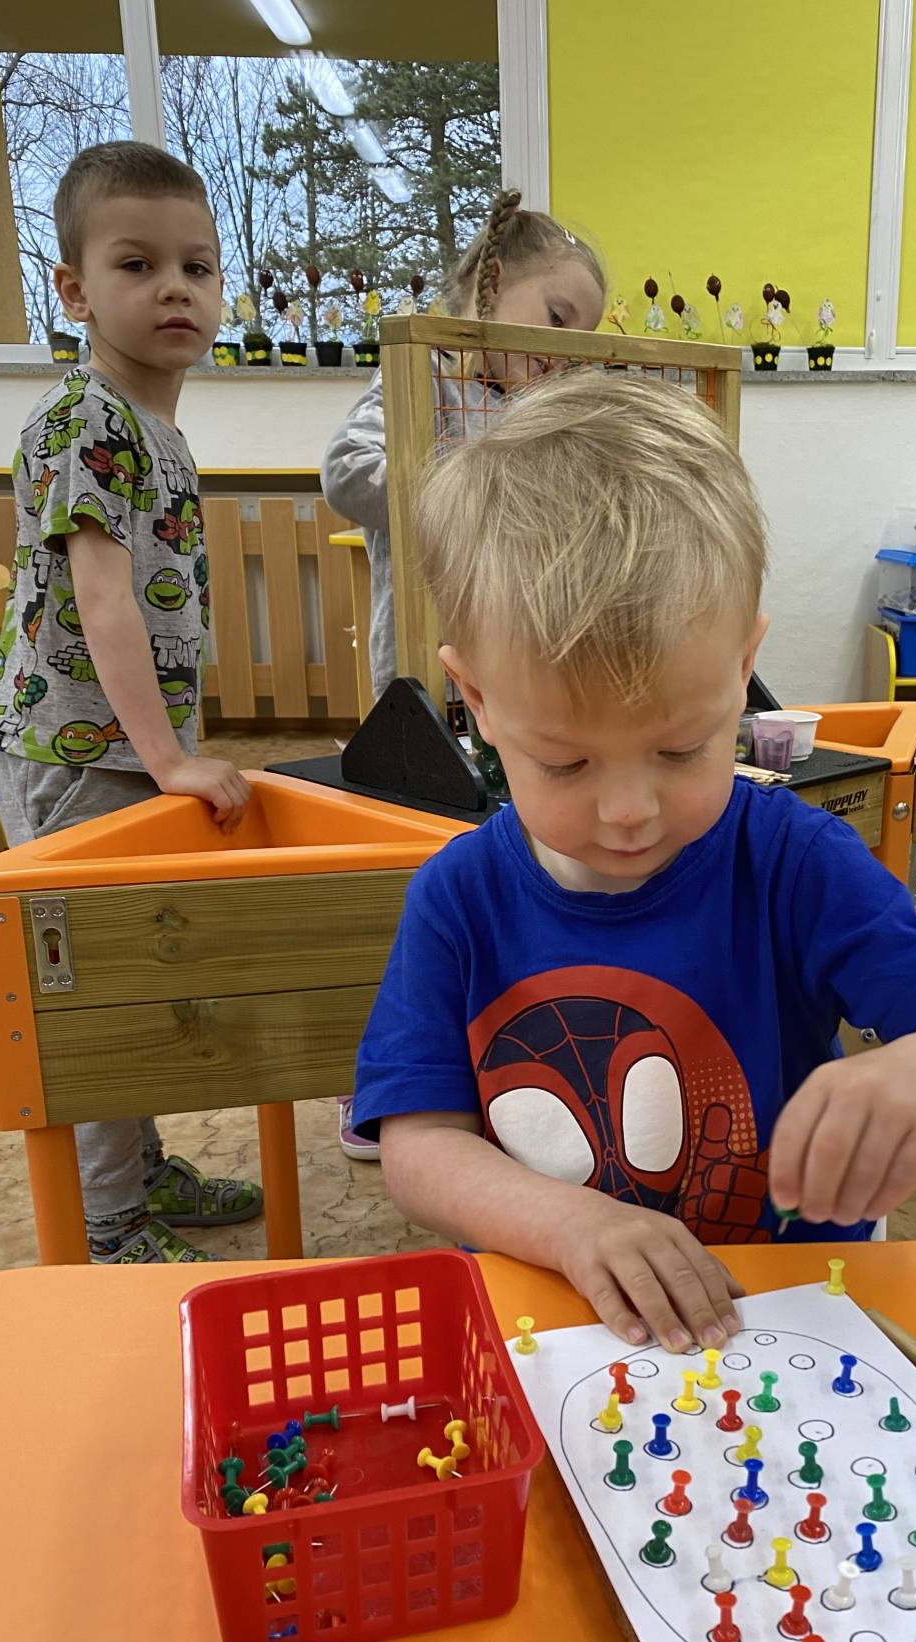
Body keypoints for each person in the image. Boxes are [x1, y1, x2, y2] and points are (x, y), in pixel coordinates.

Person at [353, 373, 916, 1351]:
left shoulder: (792, 861)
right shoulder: (459, 898)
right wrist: (572, 1226)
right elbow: (420, 1149)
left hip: (783, 1324)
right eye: (566, 763)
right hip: (561, 1331)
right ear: (475, 700)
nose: (629, 811)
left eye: (682, 749)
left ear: (743, 668)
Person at [0, 141, 261, 1264]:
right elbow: (104, 604)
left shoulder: (151, 427)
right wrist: (172, 760)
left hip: (116, 753)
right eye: (137, 265)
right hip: (76, 757)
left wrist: (166, 751)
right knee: (97, 990)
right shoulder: (86, 420)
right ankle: (110, 1225)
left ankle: (142, 1176)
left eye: (197, 266)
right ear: (75, 290)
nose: (174, 289)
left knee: (134, 971)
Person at [321, 186, 605, 1159]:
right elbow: (347, 471)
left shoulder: (540, 408)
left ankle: (493, 1063)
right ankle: (382, 1081)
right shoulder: (422, 377)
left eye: (581, 337)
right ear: (490, 286)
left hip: (518, 684)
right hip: (425, 685)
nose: (561, 348)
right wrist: (456, 473)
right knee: (413, 883)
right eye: (554, 317)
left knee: (507, 870)